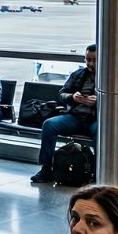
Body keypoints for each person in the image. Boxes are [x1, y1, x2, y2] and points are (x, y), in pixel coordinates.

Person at [31, 45, 98, 185]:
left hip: (95, 119)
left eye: (94, 60)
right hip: (76, 117)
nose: (90, 64)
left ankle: (97, 170)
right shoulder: (78, 74)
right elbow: (62, 93)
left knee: (102, 131)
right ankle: (46, 168)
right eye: (88, 60)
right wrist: (73, 97)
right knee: (49, 125)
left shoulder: (110, 77)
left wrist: (98, 102)